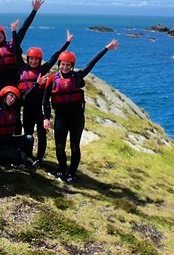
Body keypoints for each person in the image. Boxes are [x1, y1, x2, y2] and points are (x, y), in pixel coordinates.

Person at [42, 39, 119, 184]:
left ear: (72, 66)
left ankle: (72, 173)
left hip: (76, 117)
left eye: (68, 65)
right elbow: (45, 100)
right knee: (59, 147)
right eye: (63, 64)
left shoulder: (77, 77)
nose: (65, 67)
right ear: (59, 64)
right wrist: (46, 118)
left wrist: (106, 49)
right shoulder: (52, 79)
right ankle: (63, 171)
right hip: (60, 117)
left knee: (74, 146)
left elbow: (91, 64)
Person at [17, 30, 74, 169]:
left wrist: (67, 43)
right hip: (27, 107)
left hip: (40, 108)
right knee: (28, 133)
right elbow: (16, 50)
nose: (33, 61)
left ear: (40, 60)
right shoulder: (22, 67)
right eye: (31, 58)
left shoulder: (44, 68)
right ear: (28, 59)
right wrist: (14, 31)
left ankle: (40, 159)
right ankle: (27, 155)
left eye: (36, 59)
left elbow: (55, 57)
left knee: (42, 135)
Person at [0, 0, 44, 95]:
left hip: (15, 83)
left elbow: (24, 28)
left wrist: (34, 11)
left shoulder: (12, 44)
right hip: (0, 85)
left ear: (4, 35)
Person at [0, 86, 34, 173]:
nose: (13, 100)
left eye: (15, 98)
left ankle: (17, 162)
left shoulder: (12, 111)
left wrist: (36, 85)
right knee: (16, 155)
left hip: (7, 141)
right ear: (5, 95)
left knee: (29, 138)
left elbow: (25, 98)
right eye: (11, 96)